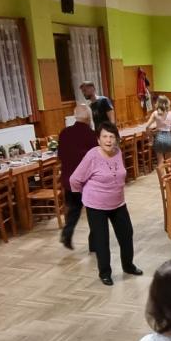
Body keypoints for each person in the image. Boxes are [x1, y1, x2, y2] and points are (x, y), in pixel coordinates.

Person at [69, 122, 142, 285]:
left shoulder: (118, 152)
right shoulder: (92, 156)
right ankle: (105, 273)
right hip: (96, 206)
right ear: (98, 140)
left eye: (112, 137)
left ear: (116, 139)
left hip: (118, 203)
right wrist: (83, 197)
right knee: (102, 240)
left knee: (127, 234)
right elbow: (75, 179)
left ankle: (128, 266)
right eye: (105, 137)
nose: (108, 140)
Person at [57, 104, 97, 250]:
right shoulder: (91, 135)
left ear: (75, 116)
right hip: (87, 181)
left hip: (69, 180)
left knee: (74, 209)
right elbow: (95, 159)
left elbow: (60, 156)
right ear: (89, 118)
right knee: (94, 212)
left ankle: (67, 233)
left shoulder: (64, 133)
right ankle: (94, 244)